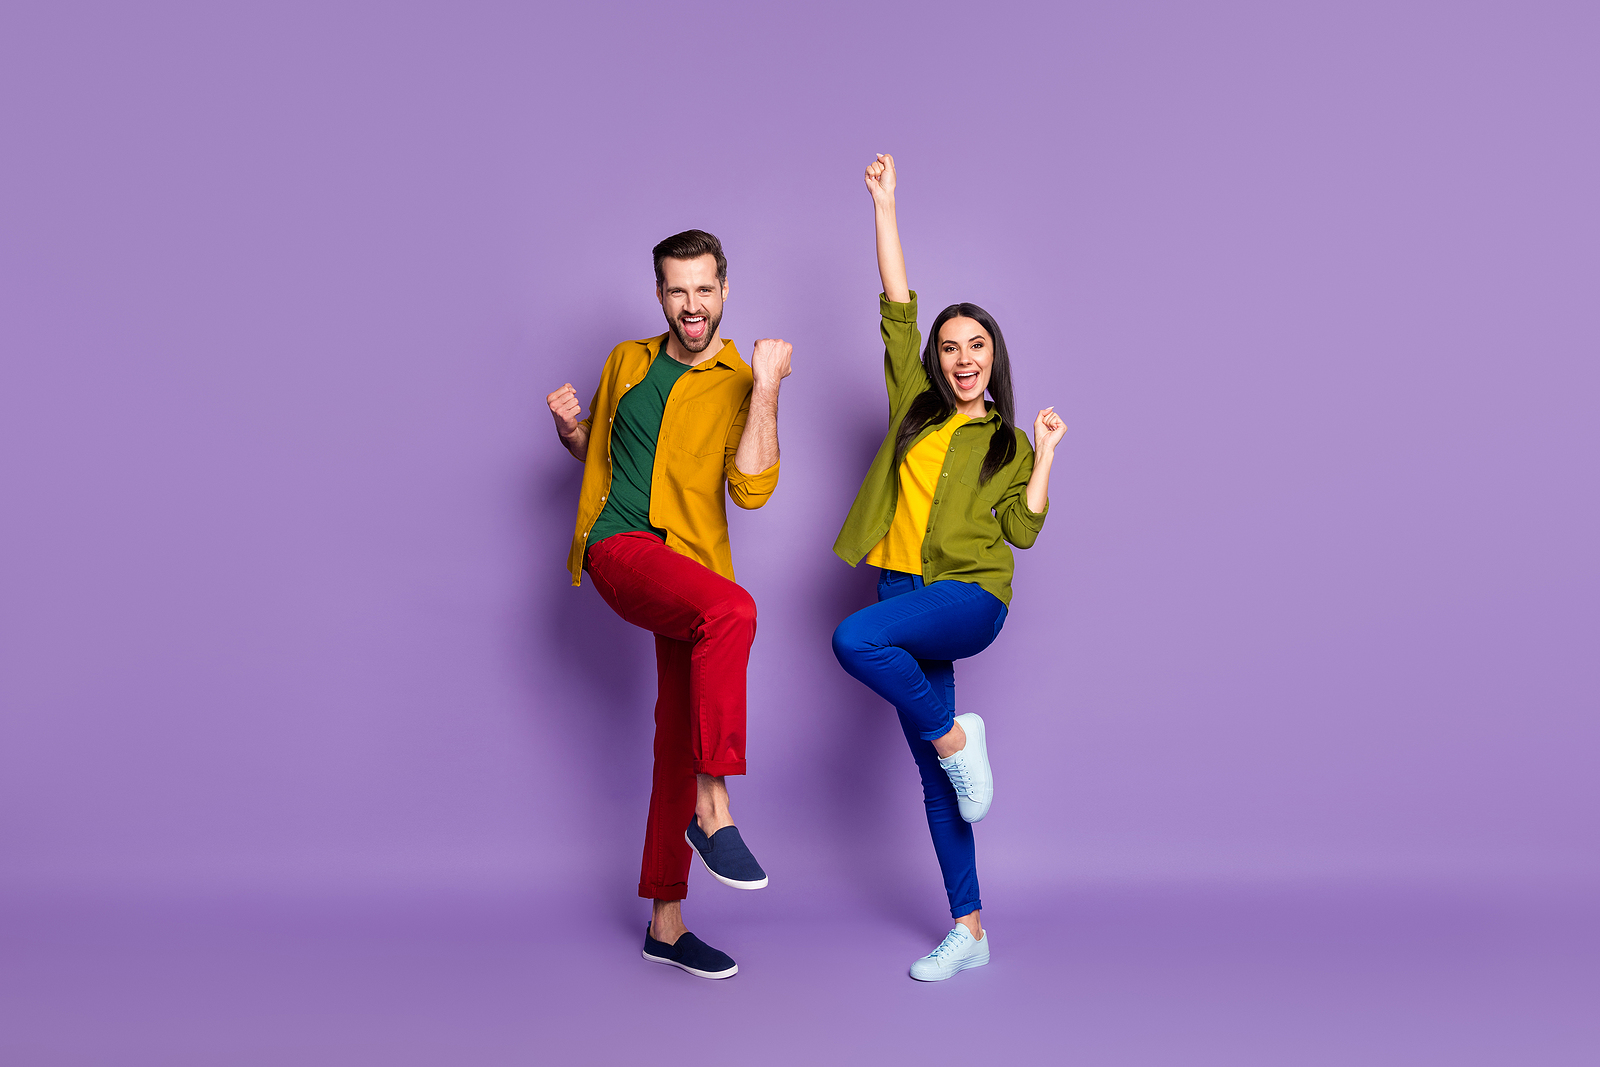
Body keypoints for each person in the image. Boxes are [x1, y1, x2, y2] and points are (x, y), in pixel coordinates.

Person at [831, 154, 1067, 981]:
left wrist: (1043, 460)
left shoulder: (1004, 439)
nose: (962, 356)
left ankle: (959, 734)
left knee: (852, 640)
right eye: (949, 346)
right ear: (936, 360)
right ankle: (970, 928)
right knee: (942, 784)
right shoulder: (915, 409)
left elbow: (1024, 533)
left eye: (977, 345)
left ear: (993, 355)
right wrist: (886, 206)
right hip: (901, 587)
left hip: (969, 596)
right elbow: (899, 306)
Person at [546, 229, 792, 980]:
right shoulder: (628, 359)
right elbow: (606, 460)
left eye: (704, 290)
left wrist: (770, 387)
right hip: (620, 548)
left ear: (725, 293)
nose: (692, 304)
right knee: (737, 611)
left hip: (687, 570)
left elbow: (751, 487)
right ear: (660, 296)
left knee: (672, 739)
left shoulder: (740, 379)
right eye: (677, 291)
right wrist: (572, 431)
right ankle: (713, 808)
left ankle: (666, 922)